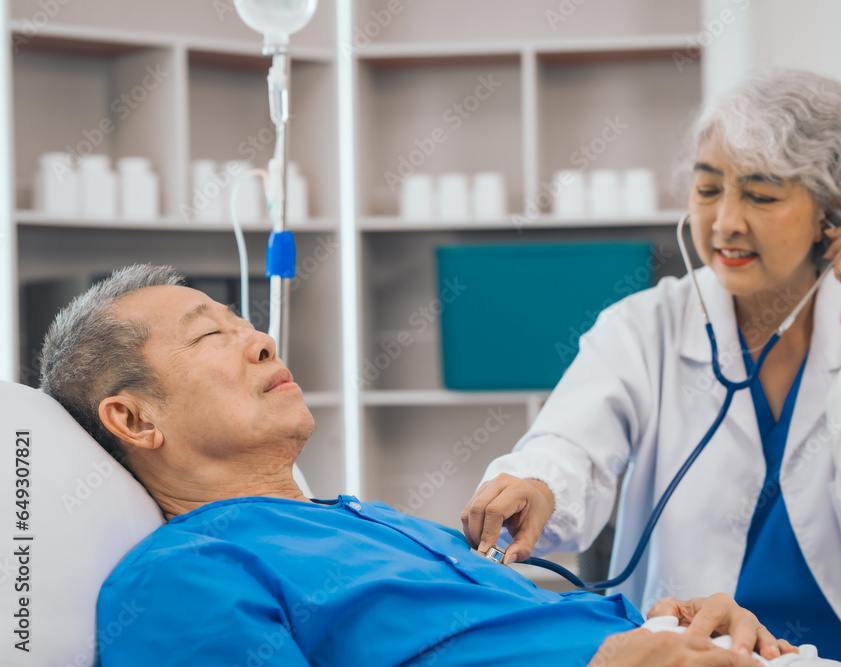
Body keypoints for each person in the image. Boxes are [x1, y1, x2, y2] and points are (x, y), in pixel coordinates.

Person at [39, 265, 801, 667]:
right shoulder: (182, 575)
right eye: (212, 336)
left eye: (249, 323)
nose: (264, 340)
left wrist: (673, 624)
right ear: (134, 419)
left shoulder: (364, 520)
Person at [463, 68, 841, 665]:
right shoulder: (643, 327)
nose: (726, 221)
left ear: (836, 209)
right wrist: (536, 482)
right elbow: (569, 443)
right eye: (708, 191)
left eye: (761, 195)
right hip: (696, 649)